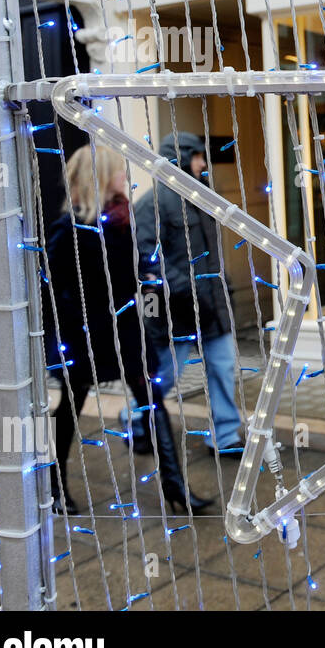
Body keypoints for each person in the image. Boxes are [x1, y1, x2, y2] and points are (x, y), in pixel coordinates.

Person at [44, 145, 212, 515]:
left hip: (126, 329)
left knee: (153, 402)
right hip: (86, 336)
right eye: (119, 172)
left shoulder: (123, 220)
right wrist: (68, 333)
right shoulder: (70, 229)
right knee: (71, 406)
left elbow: (133, 269)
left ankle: (176, 488)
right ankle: (55, 486)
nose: (125, 177)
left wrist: (150, 278)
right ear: (102, 177)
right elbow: (53, 288)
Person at [134, 133, 244, 455]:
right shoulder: (152, 203)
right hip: (174, 309)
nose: (202, 163)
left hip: (210, 303)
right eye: (197, 157)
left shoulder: (205, 198)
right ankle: (136, 421)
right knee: (165, 375)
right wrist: (186, 289)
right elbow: (146, 255)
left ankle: (224, 437)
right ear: (181, 159)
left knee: (222, 368)